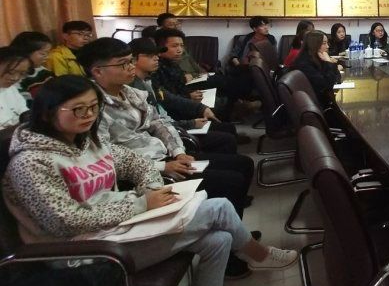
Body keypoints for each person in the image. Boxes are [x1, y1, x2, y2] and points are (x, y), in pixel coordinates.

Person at [2, 76, 297, 286]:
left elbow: (136, 163)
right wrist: (141, 204)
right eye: (78, 110)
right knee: (218, 208)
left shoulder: (87, 142)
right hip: (83, 251)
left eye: (93, 107)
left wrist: (150, 190)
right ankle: (260, 255)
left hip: (118, 227)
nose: (89, 116)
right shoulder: (30, 162)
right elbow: (64, 221)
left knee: (218, 240)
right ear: (46, 113)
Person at [77, 38, 256, 244]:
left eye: (131, 61)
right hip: (146, 173)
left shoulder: (130, 92)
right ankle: (234, 244)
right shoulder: (91, 106)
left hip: (165, 156)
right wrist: (164, 167)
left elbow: (159, 122)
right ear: (97, 71)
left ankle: (236, 234)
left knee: (244, 164)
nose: (131, 67)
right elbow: (104, 156)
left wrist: (179, 151)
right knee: (231, 181)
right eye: (123, 64)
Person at [129, 38, 239, 155]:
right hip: (163, 138)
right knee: (228, 140)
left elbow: (169, 98)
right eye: (150, 56)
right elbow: (153, 124)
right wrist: (190, 123)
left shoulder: (148, 80)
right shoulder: (134, 88)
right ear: (134, 60)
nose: (156, 58)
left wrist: (200, 108)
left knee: (227, 129)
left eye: (156, 54)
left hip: (171, 126)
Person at [291, 31, 342, 108]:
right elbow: (327, 84)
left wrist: (331, 68)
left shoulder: (316, 56)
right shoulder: (304, 62)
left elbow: (336, 76)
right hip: (315, 104)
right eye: (324, 43)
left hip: (321, 98)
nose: (327, 46)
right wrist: (328, 61)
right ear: (314, 44)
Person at [10, 31, 54, 100]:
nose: (47, 57)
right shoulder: (15, 79)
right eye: (43, 54)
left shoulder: (42, 71)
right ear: (26, 52)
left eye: (48, 53)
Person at [1, 47, 31, 128]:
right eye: (11, 72)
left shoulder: (11, 89)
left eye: (22, 74)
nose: (15, 78)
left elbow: (23, 111)